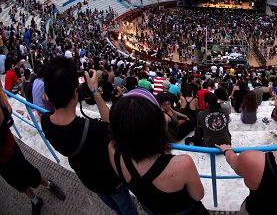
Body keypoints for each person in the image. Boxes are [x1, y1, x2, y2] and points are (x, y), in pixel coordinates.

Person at [41, 57, 138, 215]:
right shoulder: (94, 130)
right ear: (75, 93)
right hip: (111, 182)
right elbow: (110, 124)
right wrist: (94, 90)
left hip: (90, 181)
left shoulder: (45, 121)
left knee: (115, 205)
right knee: (126, 208)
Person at [108, 89, 204, 215]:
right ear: (157, 124)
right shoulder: (183, 164)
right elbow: (198, 196)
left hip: (150, 208)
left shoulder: (112, 149)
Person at [0, 78, 66, 215]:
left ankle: (48, 184)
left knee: (27, 171)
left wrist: (5, 104)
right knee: (15, 182)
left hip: (8, 148)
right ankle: (35, 200)